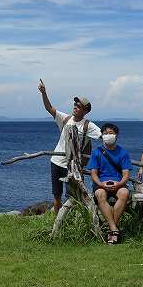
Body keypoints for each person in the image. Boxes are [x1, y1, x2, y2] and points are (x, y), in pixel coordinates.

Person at [38, 79, 101, 213]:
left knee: (73, 196)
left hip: (73, 165)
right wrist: (44, 93)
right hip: (55, 161)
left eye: (79, 106)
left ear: (85, 111)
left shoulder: (88, 125)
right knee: (56, 194)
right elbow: (49, 108)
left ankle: (71, 219)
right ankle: (56, 220)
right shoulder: (66, 119)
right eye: (75, 104)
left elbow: (103, 136)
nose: (75, 106)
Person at [86, 123, 132, 244]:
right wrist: (101, 184)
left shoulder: (123, 153)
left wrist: (119, 184)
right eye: (105, 133)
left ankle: (112, 229)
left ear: (116, 135)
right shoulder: (97, 152)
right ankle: (114, 229)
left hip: (118, 183)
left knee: (124, 193)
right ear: (102, 135)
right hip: (101, 184)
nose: (108, 135)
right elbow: (94, 174)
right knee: (100, 194)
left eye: (111, 133)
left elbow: (126, 174)